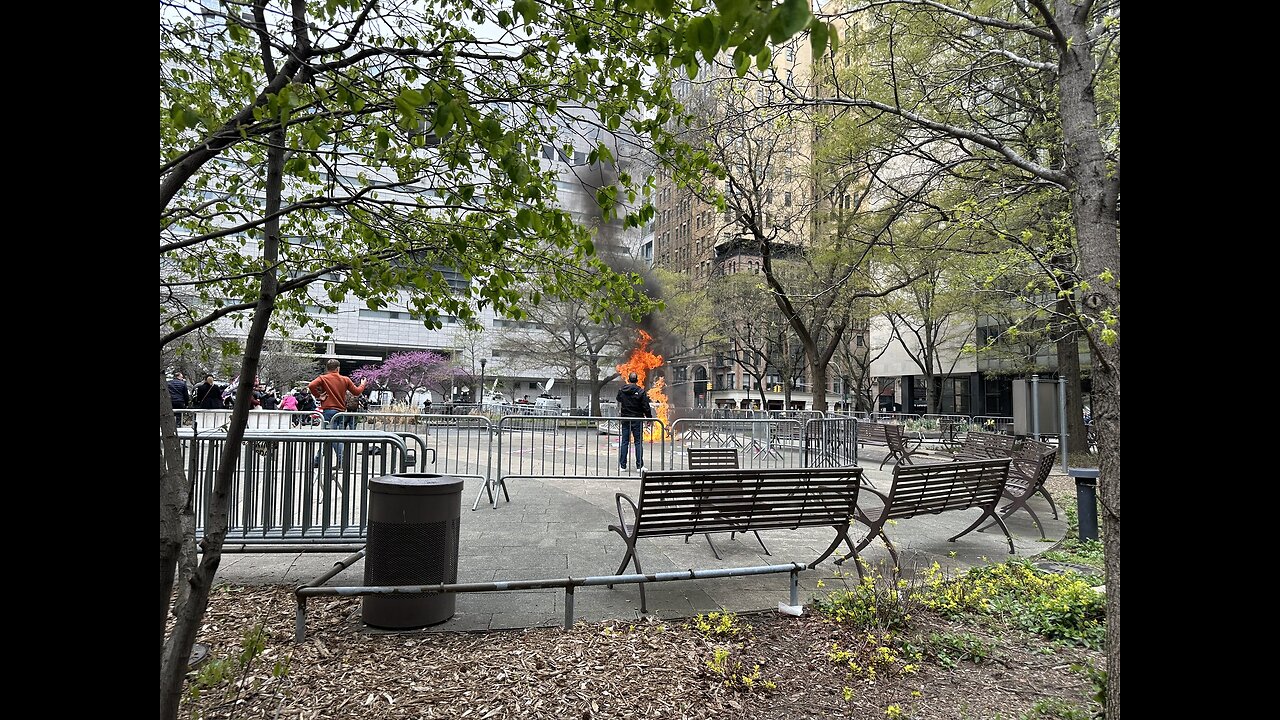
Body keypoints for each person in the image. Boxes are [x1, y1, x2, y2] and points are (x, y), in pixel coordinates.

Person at [308, 359, 367, 469]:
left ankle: (328, 460)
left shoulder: (323, 378)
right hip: (340, 412)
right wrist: (362, 384)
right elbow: (357, 392)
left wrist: (319, 396)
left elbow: (311, 385)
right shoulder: (345, 379)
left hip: (328, 411)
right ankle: (320, 460)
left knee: (328, 436)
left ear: (327, 368)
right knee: (332, 437)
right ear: (338, 368)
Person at [616, 371, 653, 472]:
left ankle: (622, 466)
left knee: (624, 442)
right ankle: (639, 466)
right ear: (637, 380)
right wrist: (649, 418)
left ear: (628, 379)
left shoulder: (622, 390)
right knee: (638, 442)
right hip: (637, 419)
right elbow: (646, 406)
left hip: (625, 419)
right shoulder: (640, 391)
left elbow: (618, 399)